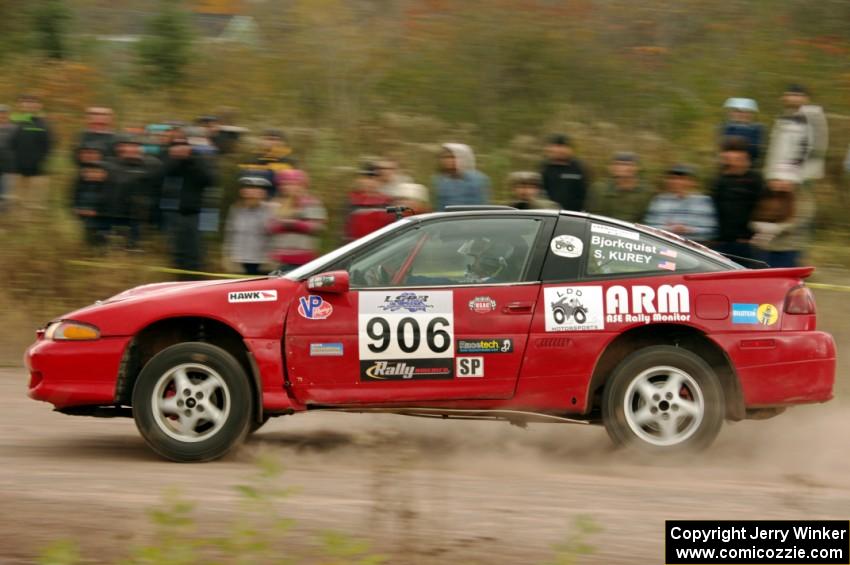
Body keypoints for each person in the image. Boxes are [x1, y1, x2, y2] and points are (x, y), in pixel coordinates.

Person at [161, 137, 216, 275]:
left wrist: (192, 160)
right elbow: (158, 177)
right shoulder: (169, 162)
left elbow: (210, 180)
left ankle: (195, 283)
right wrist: (175, 160)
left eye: (184, 146)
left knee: (195, 253)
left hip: (195, 214)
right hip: (171, 214)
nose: (180, 149)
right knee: (177, 254)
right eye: (176, 146)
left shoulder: (199, 163)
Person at [711, 137, 765, 260]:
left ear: (746, 158)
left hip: (748, 243)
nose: (733, 163)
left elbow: (762, 208)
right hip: (721, 242)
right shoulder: (718, 180)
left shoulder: (755, 179)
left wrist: (751, 235)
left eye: (738, 159)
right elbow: (714, 208)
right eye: (729, 159)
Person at [764, 84, 828, 185]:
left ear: (806, 99)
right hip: (778, 177)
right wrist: (771, 175)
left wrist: (793, 177)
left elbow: (816, 149)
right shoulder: (781, 118)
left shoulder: (813, 117)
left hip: (801, 178)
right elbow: (775, 151)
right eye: (790, 95)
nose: (793, 98)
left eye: (797, 95)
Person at [107, 136, 163, 249]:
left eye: (135, 146)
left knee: (138, 243)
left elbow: (159, 185)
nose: (132, 149)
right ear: (122, 148)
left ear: (141, 148)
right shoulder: (111, 164)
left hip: (141, 211)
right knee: (118, 241)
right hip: (117, 210)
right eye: (129, 146)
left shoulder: (152, 164)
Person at [267, 169, 327, 271]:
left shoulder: (311, 203)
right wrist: (281, 225)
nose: (287, 187)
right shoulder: (275, 204)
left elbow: (318, 227)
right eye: (284, 184)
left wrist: (295, 224)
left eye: (292, 184)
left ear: (302, 185)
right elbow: (268, 227)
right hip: (279, 260)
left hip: (303, 260)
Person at [643, 165, 717, 243]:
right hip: (664, 245)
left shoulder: (703, 202)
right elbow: (649, 228)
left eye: (682, 179)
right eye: (673, 178)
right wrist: (670, 229)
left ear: (692, 182)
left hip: (694, 248)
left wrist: (689, 230)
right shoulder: (659, 200)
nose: (677, 182)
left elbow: (711, 231)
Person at [749, 180, 813, 268]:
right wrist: (757, 226)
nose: (778, 183)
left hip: (787, 248)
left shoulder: (800, 197)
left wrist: (776, 228)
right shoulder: (765, 194)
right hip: (763, 248)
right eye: (775, 180)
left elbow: (798, 220)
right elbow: (754, 215)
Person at [9, 94, 52, 210]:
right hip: (16, 171)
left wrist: (39, 161)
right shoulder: (14, 122)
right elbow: (9, 143)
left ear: (39, 106)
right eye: (26, 102)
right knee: (15, 205)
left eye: (33, 102)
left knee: (34, 207)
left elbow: (49, 146)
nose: (29, 105)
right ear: (21, 105)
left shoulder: (44, 124)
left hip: (37, 172)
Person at [223, 177, 274, 275]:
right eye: (249, 188)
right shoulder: (235, 209)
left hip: (262, 263)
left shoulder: (270, 210)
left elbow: (273, 237)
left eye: (258, 189)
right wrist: (227, 257)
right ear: (242, 192)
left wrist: (271, 260)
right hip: (238, 262)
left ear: (263, 193)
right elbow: (229, 234)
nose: (253, 192)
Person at [589, 152, 651, 222]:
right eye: (617, 164)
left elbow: (645, 220)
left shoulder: (645, 192)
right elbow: (591, 217)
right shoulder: (599, 189)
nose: (621, 168)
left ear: (636, 168)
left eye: (626, 164)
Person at [345, 162, 395, 241]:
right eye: (366, 178)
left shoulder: (386, 202)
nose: (369, 182)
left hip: (377, 246)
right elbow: (345, 228)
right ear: (360, 179)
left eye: (374, 178)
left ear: (380, 181)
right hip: (355, 246)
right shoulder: (352, 199)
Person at [433, 143, 490, 210]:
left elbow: (480, 208)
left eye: (451, 157)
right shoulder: (440, 181)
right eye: (444, 157)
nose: (446, 160)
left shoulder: (477, 180)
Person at [238, 128, 295, 193]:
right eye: (268, 139)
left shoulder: (288, 162)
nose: (272, 142)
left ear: (283, 143)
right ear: (261, 141)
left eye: (276, 140)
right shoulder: (249, 159)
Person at [540, 134, 589, 211]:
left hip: (574, 215)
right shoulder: (544, 168)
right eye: (557, 146)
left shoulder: (578, 168)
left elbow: (585, 194)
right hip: (550, 214)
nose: (560, 150)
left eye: (564, 146)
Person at [70, 161, 110, 247]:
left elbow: (109, 204)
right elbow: (75, 200)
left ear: (104, 174)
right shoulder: (80, 187)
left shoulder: (107, 188)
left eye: (96, 172)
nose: (92, 174)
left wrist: (97, 212)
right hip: (85, 218)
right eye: (89, 172)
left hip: (101, 220)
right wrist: (76, 209)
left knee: (100, 238)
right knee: (87, 237)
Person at [720, 98, 764, 166]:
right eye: (737, 111)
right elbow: (723, 147)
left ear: (750, 114)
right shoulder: (726, 127)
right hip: (728, 165)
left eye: (745, 112)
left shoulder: (756, 128)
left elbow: (755, 150)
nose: (741, 114)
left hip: (750, 165)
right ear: (731, 113)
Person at [0, 105, 15, 210]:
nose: (2, 115)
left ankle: (3, 206)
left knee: (6, 186)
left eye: (4, 113)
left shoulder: (14, 128)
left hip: (8, 163)